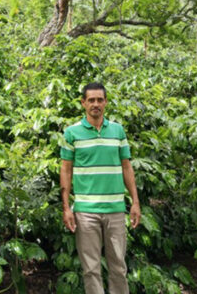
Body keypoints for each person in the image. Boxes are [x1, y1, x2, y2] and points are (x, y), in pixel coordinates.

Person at [59, 82, 141, 294]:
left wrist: (135, 202)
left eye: (99, 100)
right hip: (85, 212)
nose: (95, 104)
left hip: (115, 210)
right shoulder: (71, 133)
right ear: (83, 103)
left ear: (105, 102)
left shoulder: (117, 131)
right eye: (91, 100)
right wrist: (66, 207)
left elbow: (126, 167)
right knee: (91, 269)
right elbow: (66, 171)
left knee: (118, 268)